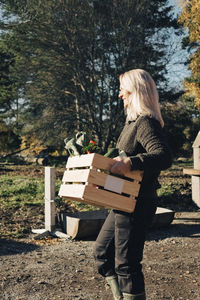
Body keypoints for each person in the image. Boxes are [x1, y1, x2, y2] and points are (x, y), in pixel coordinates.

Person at [93, 69, 172, 300]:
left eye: (122, 90)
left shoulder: (146, 122)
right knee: (102, 253)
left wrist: (131, 162)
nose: (119, 95)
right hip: (122, 200)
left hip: (139, 202)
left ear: (135, 91)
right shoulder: (132, 122)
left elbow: (164, 156)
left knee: (126, 264)